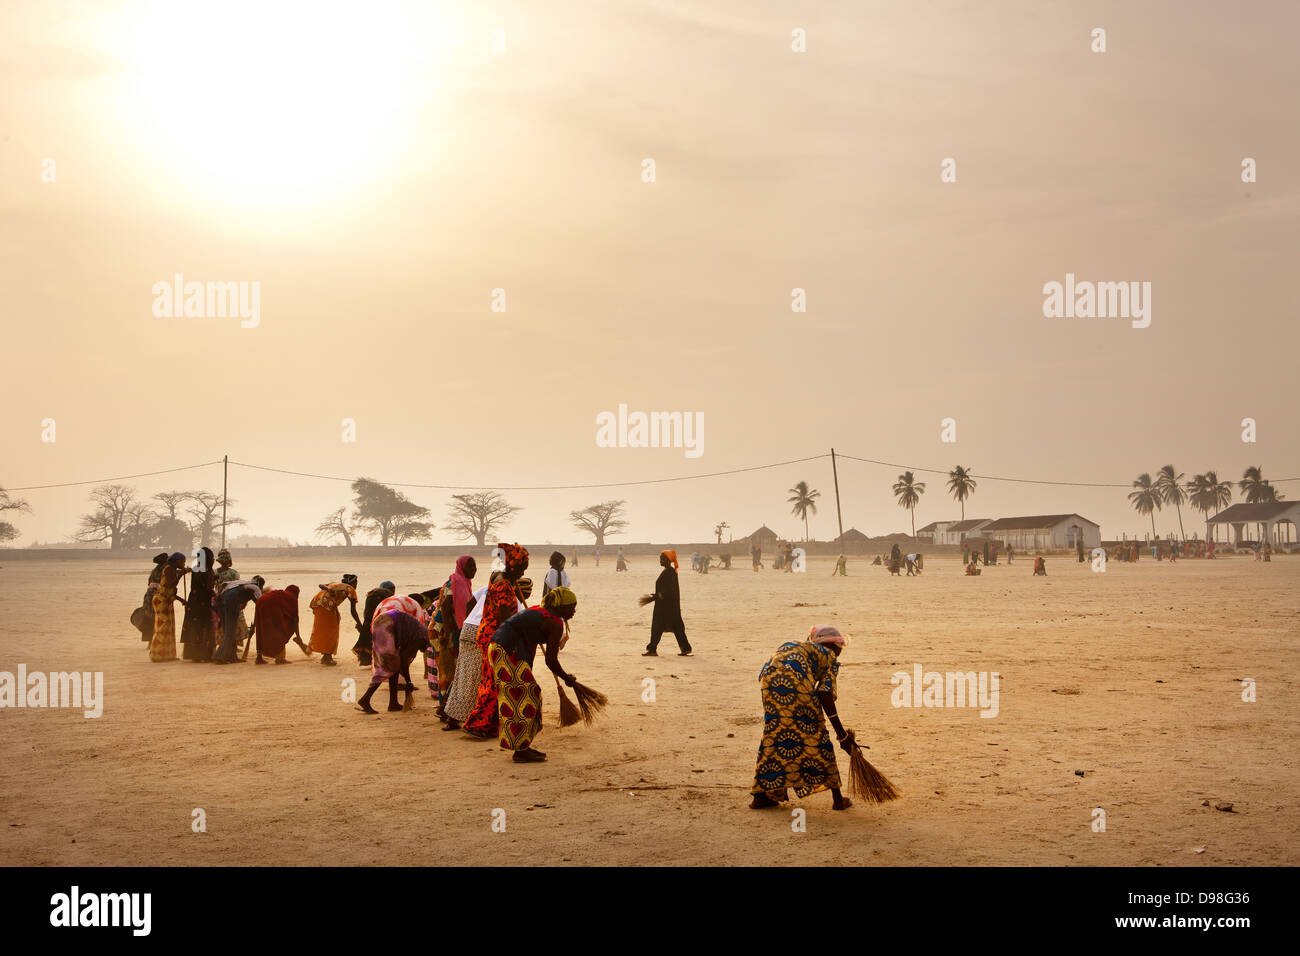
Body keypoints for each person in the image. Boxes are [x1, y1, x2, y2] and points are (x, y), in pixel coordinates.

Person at [750, 626, 854, 811]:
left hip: (770, 683)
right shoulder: (830, 658)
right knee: (816, 735)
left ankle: (761, 796)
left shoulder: (795, 646)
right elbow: (825, 695)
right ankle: (837, 799)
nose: (840, 652)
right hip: (796, 685)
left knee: (775, 732)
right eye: (839, 647)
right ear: (832, 646)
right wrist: (842, 736)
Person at [488, 586, 580, 762]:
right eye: (571, 606)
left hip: (499, 648)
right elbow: (551, 661)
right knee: (526, 696)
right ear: (561, 606)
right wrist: (567, 678)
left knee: (527, 694)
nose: (574, 610)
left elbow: (528, 638)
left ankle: (523, 745)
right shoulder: (554, 623)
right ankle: (520, 750)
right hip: (507, 651)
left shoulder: (541, 612)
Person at [462, 543, 530, 739]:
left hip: (488, 634)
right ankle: (478, 723)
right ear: (513, 565)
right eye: (522, 567)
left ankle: (490, 723)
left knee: (491, 679)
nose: (523, 572)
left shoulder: (498, 577)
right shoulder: (503, 585)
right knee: (493, 682)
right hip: (496, 636)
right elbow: (505, 618)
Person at [441, 574, 494, 731]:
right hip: (481, 631)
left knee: (462, 675)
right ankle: (469, 718)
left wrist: (472, 618)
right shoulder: (509, 596)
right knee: (477, 678)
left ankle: (450, 714)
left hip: (468, 627)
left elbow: (470, 603)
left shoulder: (486, 589)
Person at [357, 609, 430, 714]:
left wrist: (407, 681)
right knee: (388, 665)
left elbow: (401, 660)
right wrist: (408, 682)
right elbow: (404, 659)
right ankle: (365, 699)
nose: (423, 651)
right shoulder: (421, 638)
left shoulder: (421, 633)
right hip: (385, 624)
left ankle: (393, 703)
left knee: (394, 664)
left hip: (383, 622)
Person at [428, 556, 476, 714]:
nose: (474, 570)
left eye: (474, 567)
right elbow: (446, 608)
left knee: (452, 667)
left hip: (451, 630)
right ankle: (445, 707)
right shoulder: (454, 583)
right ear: (462, 568)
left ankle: (446, 706)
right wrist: (447, 635)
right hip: (442, 631)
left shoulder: (464, 583)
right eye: (470, 567)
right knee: (448, 668)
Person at [643, 550, 691, 657]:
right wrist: (657, 596)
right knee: (674, 627)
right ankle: (685, 648)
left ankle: (652, 649)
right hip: (667, 605)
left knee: (658, 627)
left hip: (666, 606)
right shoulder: (668, 571)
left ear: (668, 560)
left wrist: (658, 595)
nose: (660, 560)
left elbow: (671, 589)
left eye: (662, 558)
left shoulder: (670, 572)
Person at [307, 575, 360, 666]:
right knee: (331, 631)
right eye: (356, 584)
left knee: (322, 630)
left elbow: (320, 585)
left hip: (316, 603)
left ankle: (324, 654)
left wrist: (328, 589)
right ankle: (327, 657)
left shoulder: (335, 584)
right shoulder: (350, 588)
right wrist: (359, 623)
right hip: (327, 606)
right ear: (353, 583)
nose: (356, 586)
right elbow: (353, 610)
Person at [213, 576, 264, 663]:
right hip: (231, 602)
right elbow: (260, 602)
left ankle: (232, 657)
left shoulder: (240, 583)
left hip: (221, 602)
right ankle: (220, 657)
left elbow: (222, 586)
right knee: (230, 632)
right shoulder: (255, 587)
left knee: (227, 631)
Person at [150, 552, 189, 662]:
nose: (184, 563)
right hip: (161, 601)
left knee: (169, 627)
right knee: (163, 626)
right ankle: (156, 654)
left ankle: (167, 655)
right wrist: (182, 574)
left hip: (167, 601)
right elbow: (172, 583)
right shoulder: (168, 569)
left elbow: (171, 591)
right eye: (183, 561)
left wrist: (183, 601)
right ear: (177, 561)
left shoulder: (171, 569)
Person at [180, 547, 217, 662]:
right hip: (203, 603)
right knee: (204, 627)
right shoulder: (208, 570)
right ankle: (204, 655)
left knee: (194, 626)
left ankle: (194, 654)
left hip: (194, 601)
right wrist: (216, 594)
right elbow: (206, 589)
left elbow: (198, 585)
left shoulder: (196, 568)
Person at [251, 584, 301, 664]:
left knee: (261, 628)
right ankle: (280, 658)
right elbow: (295, 619)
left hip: (261, 600)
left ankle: (259, 657)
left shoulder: (283, 594)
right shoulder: (292, 597)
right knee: (280, 630)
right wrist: (298, 636)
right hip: (272, 603)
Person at [213, 549, 249, 651]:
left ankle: (222, 643)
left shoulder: (215, 572)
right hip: (232, 599)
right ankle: (233, 644)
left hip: (218, 599)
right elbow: (238, 586)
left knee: (221, 622)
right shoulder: (233, 573)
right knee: (235, 621)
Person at [352, 580, 395, 667]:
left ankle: (368, 658)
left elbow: (367, 612)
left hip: (370, 619)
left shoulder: (372, 594)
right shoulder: (389, 596)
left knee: (370, 634)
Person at [133, 553, 169, 642]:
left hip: (149, 595)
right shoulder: (165, 569)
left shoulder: (155, 570)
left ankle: (150, 641)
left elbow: (149, 583)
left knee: (149, 617)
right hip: (157, 595)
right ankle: (154, 642)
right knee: (156, 618)